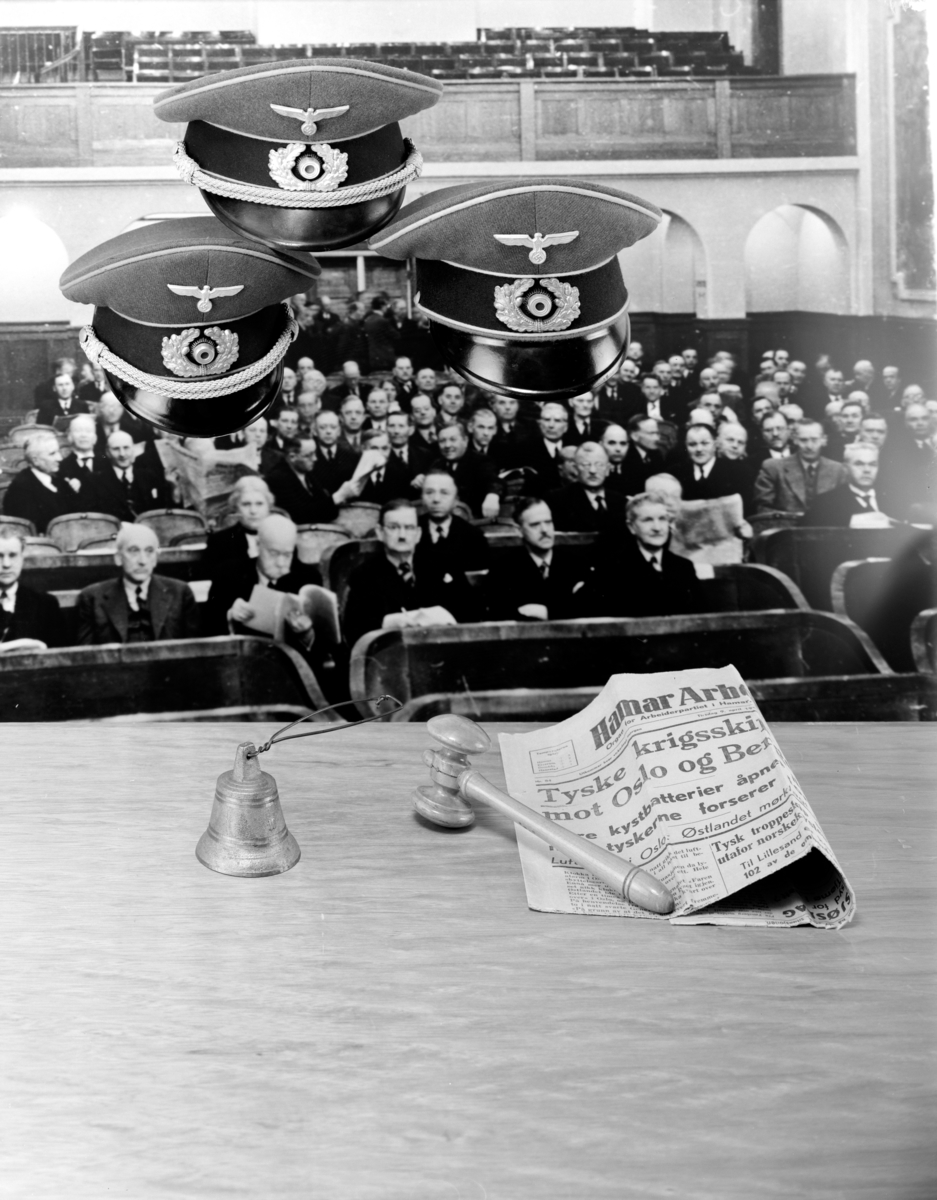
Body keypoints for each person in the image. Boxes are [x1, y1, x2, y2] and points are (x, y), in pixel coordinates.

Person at [342, 499, 478, 647]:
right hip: (391, 657)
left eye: (409, 528)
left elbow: (471, 612)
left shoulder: (443, 564)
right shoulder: (363, 575)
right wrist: (390, 622)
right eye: (393, 527)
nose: (402, 535)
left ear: (418, 533)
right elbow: (355, 631)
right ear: (380, 532)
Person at [76, 522, 199, 644]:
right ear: (118, 558)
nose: (142, 560)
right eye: (134, 551)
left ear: (156, 558)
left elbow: (195, 652)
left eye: (149, 551)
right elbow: (84, 656)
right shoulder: (92, 597)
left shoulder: (181, 593)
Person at [586, 494, 703, 618]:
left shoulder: (683, 567)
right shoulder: (612, 568)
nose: (657, 528)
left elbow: (700, 616)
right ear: (631, 527)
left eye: (662, 519)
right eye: (648, 520)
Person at [488, 497, 590, 621]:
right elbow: (500, 613)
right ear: (519, 531)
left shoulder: (575, 564)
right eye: (535, 524)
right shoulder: (503, 568)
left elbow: (593, 609)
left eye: (548, 522)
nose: (545, 530)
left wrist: (547, 612)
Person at [754, 420, 848, 515]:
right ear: (795, 440)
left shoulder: (838, 470)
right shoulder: (773, 468)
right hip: (786, 527)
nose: (809, 446)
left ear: (824, 440)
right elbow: (763, 509)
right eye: (804, 440)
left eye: (814, 440)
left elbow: (845, 508)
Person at [265, 436, 362, 524]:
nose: (315, 458)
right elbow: (300, 516)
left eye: (315, 453)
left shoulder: (307, 473)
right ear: (292, 457)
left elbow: (325, 510)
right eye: (309, 455)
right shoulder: (278, 478)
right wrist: (339, 496)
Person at [86, 430, 172, 523]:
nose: (122, 454)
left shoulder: (149, 477)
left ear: (133, 450)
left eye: (126, 448)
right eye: (116, 449)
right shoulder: (95, 481)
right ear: (107, 452)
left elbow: (163, 513)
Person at [0, 524, 62, 648]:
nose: (6, 564)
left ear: (22, 557)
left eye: (13, 555)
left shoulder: (45, 604)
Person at [416, 469, 490, 573]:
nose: (436, 499)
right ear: (422, 498)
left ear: (456, 500)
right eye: (429, 492)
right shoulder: (411, 530)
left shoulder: (473, 537)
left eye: (444, 493)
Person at [2, 431, 77, 533]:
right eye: (52, 454)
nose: (60, 458)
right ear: (35, 460)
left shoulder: (59, 479)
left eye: (58, 452)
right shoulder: (20, 488)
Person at [203, 476, 275, 577]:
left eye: (259, 504)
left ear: (269, 506)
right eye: (246, 504)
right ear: (236, 507)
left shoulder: (282, 538)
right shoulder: (219, 541)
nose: (253, 511)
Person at [548, 442, 628, 534]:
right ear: (576, 469)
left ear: (607, 469)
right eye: (585, 465)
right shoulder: (557, 500)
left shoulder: (620, 501)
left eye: (599, 465)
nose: (592, 471)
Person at [804, 444, 892, 525]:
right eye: (859, 464)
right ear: (845, 468)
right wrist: (852, 521)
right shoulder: (825, 503)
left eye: (873, 464)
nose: (867, 470)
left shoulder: (893, 499)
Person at [672, 424, 753, 512]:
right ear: (686, 446)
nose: (699, 449)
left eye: (705, 443)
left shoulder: (739, 472)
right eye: (692, 444)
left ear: (715, 444)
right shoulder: (676, 473)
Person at [432, 422, 500, 519]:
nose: (447, 445)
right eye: (442, 441)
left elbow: (494, 481)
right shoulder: (437, 465)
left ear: (465, 440)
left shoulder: (480, 461)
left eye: (453, 439)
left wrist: (493, 495)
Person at [518, 402, 569, 496]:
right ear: (540, 424)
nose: (551, 425)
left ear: (566, 426)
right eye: (546, 419)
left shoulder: (574, 447)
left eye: (557, 420)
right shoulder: (526, 449)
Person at [355, 429, 412, 505]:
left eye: (385, 448)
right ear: (363, 449)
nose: (380, 453)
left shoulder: (402, 474)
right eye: (374, 448)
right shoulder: (351, 474)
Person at [58, 413, 106, 502]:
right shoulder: (62, 467)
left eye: (88, 431)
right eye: (78, 431)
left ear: (95, 437)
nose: (83, 435)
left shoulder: (107, 462)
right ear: (70, 437)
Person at [311, 410, 360, 494]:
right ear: (315, 431)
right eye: (322, 427)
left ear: (339, 431)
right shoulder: (310, 456)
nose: (328, 432)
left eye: (333, 427)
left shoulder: (352, 456)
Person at [620, 414, 664, 495]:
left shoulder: (657, 454)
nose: (657, 438)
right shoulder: (625, 457)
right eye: (651, 433)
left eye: (657, 433)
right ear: (634, 436)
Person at [600, 424, 630, 493]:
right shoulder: (594, 472)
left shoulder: (636, 472)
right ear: (601, 444)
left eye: (623, 443)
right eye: (612, 443)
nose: (618, 449)